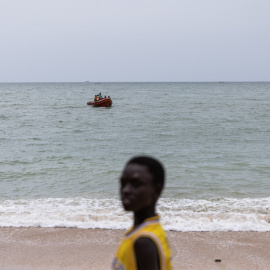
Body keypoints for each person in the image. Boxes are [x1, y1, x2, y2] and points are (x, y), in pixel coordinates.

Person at [112, 156, 172, 270]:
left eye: (136, 184)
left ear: (156, 190)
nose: (126, 190)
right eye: (123, 183)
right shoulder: (147, 230)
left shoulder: (143, 242)